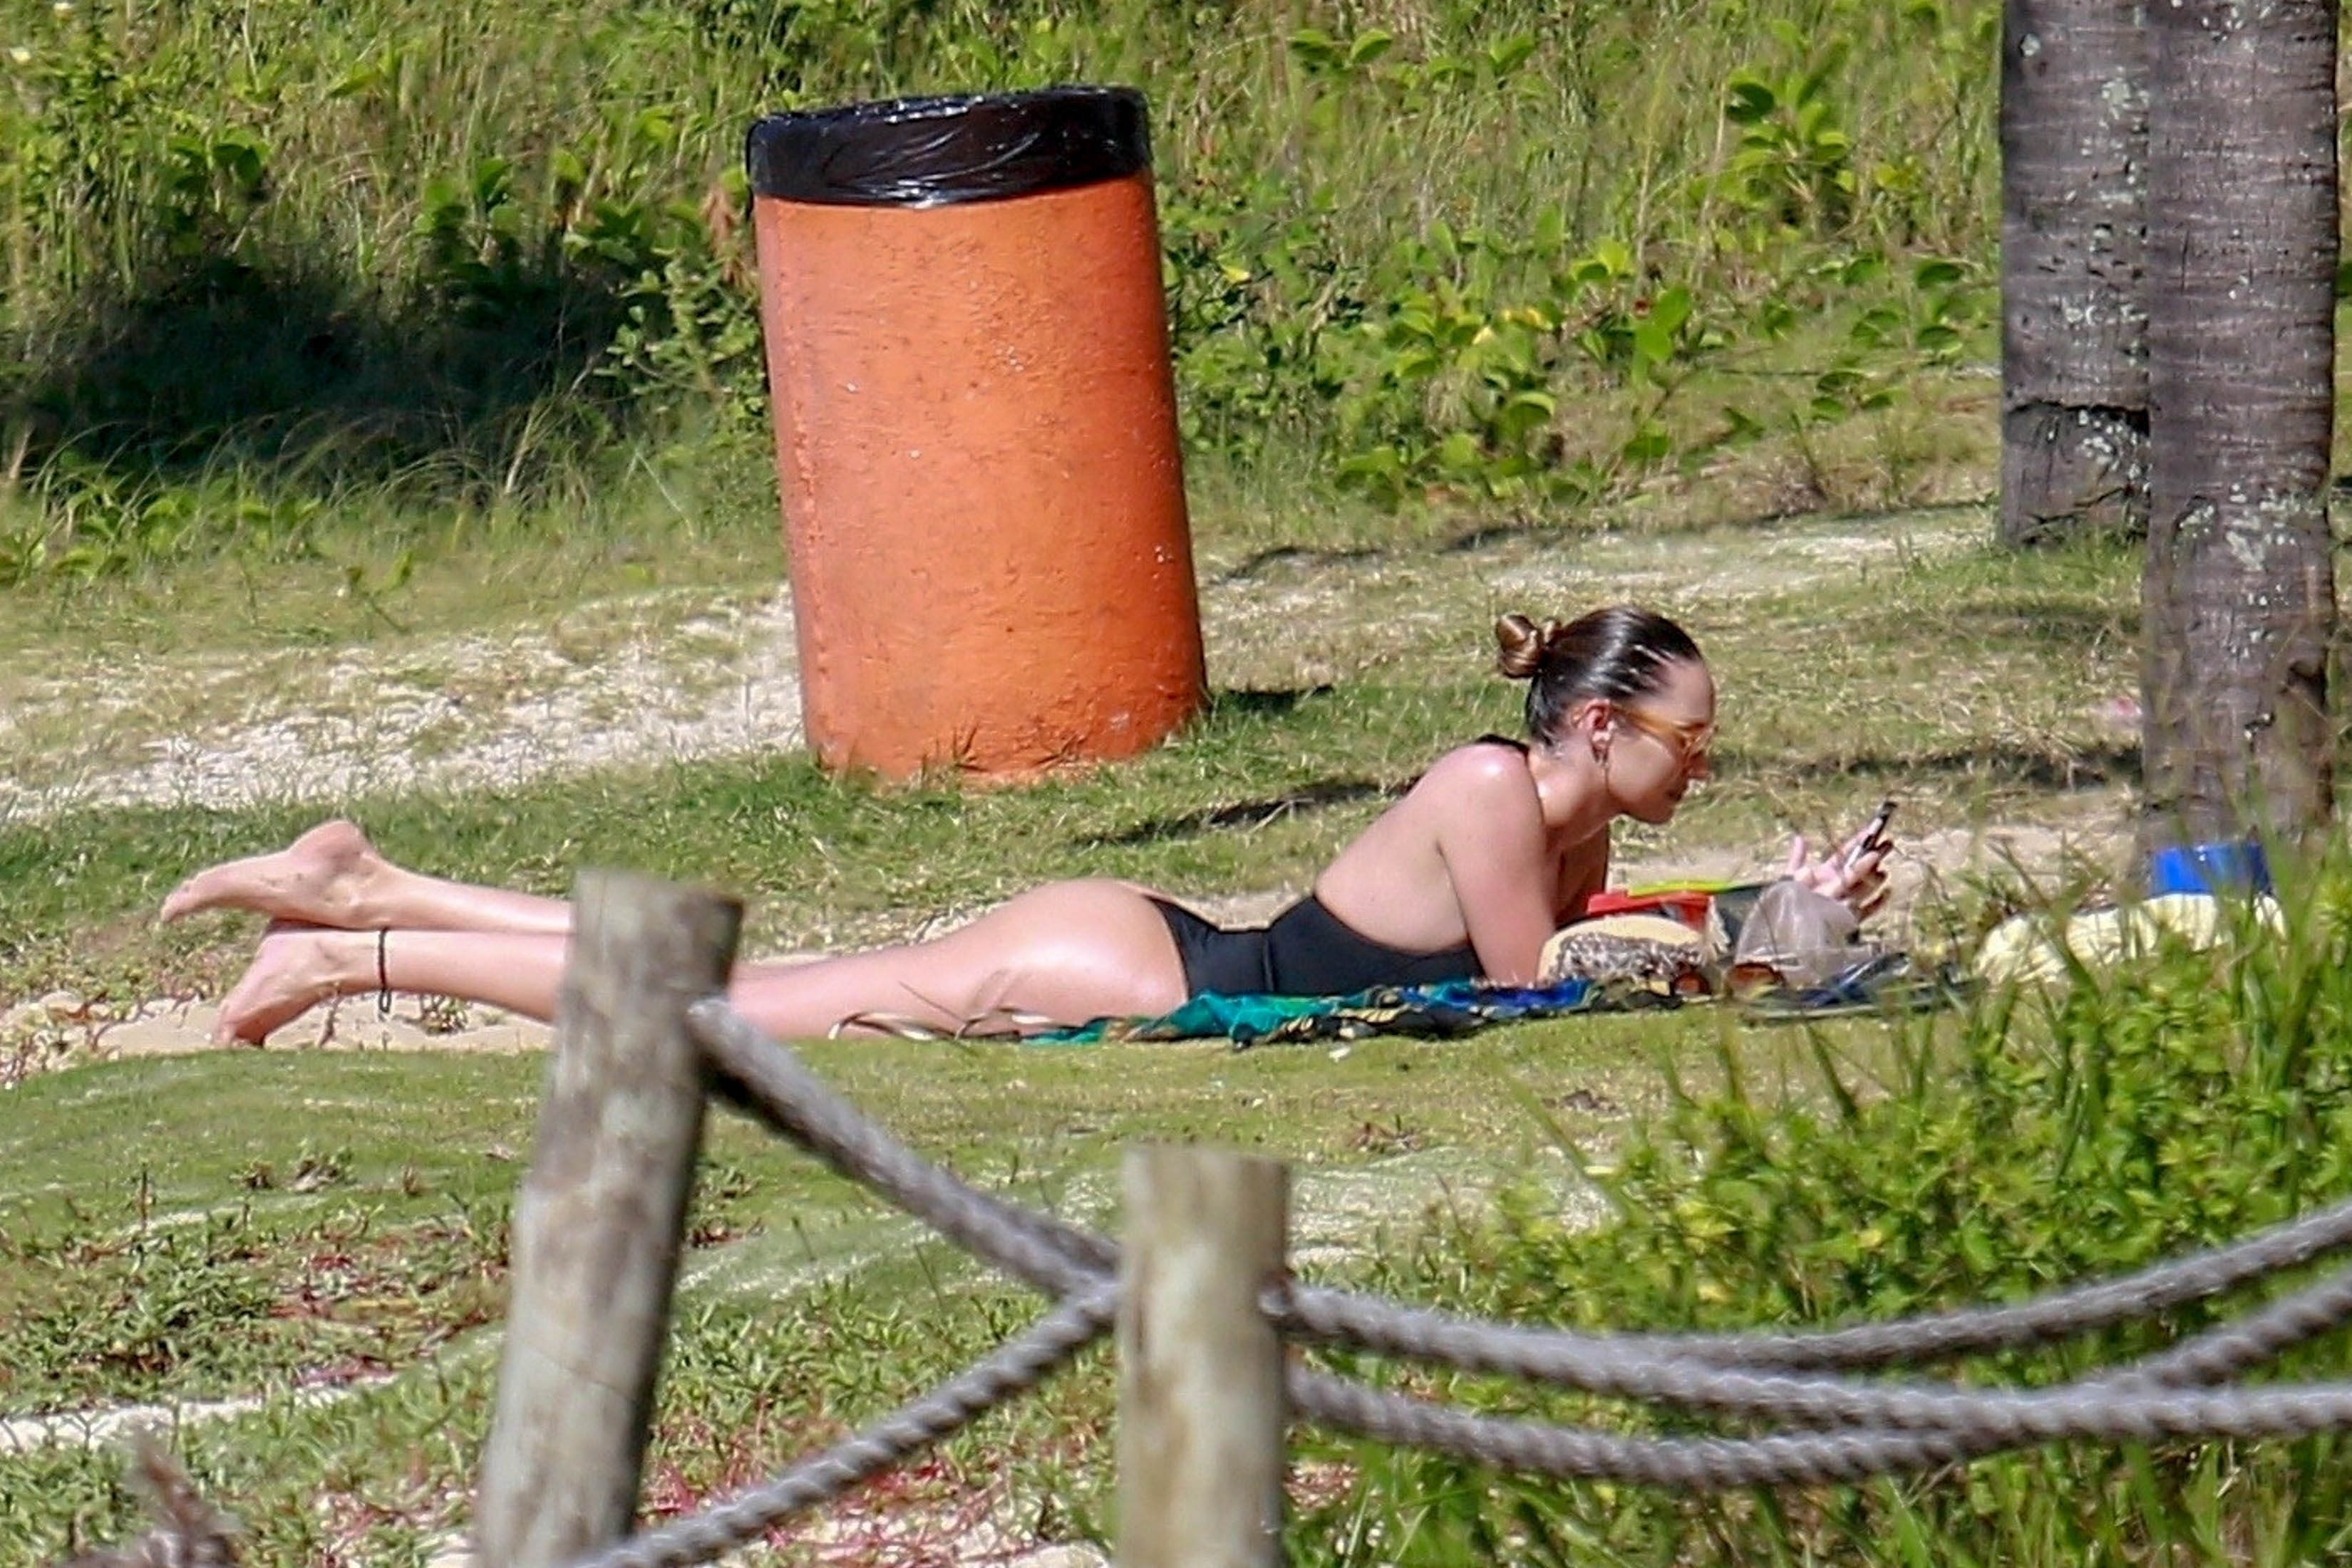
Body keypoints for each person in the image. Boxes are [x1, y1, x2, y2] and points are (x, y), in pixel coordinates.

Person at [164, 604, 1888, 1045]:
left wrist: (1773, 902)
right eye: (1692, 738)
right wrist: (1754, 928)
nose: (1702, 762)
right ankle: (345, 959)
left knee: (750, 978)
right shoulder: (1498, 791)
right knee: (715, 1007)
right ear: (1600, 723)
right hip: (1126, 972)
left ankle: (369, 884)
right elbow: (1529, 987)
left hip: (1142, 944)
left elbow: (1591, 938)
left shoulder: (1566, 814)